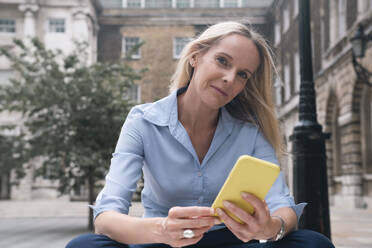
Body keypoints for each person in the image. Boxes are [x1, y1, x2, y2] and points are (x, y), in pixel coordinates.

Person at [66, 21, 334, 248]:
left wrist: (270, 229)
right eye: (222, 61)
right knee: (83, 245)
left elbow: (282, 205)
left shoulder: (250, 131)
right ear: (195, 56)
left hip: (233, 241)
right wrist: (162, 229)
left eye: (242, 74)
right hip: (162, 240)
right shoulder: (143, 121)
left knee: (313, 242)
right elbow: (106, 216)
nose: (230, 78)